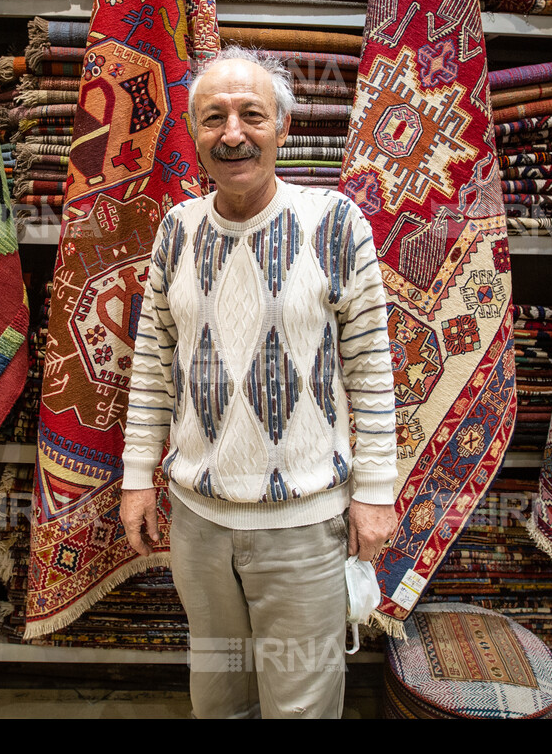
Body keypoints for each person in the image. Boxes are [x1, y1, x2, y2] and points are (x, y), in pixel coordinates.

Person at [118, 46, 398, 718]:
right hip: (198, 522)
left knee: (299, 704)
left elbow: (372, 368)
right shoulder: (175, 232)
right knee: (218, 694)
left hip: (303, 527)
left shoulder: (335, 223)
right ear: (194, 136)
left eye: (252, 115)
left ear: (282, 127)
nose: (233, 133)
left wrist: (377, 493)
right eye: (213, 118)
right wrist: (135, 477)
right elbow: (154, 365)